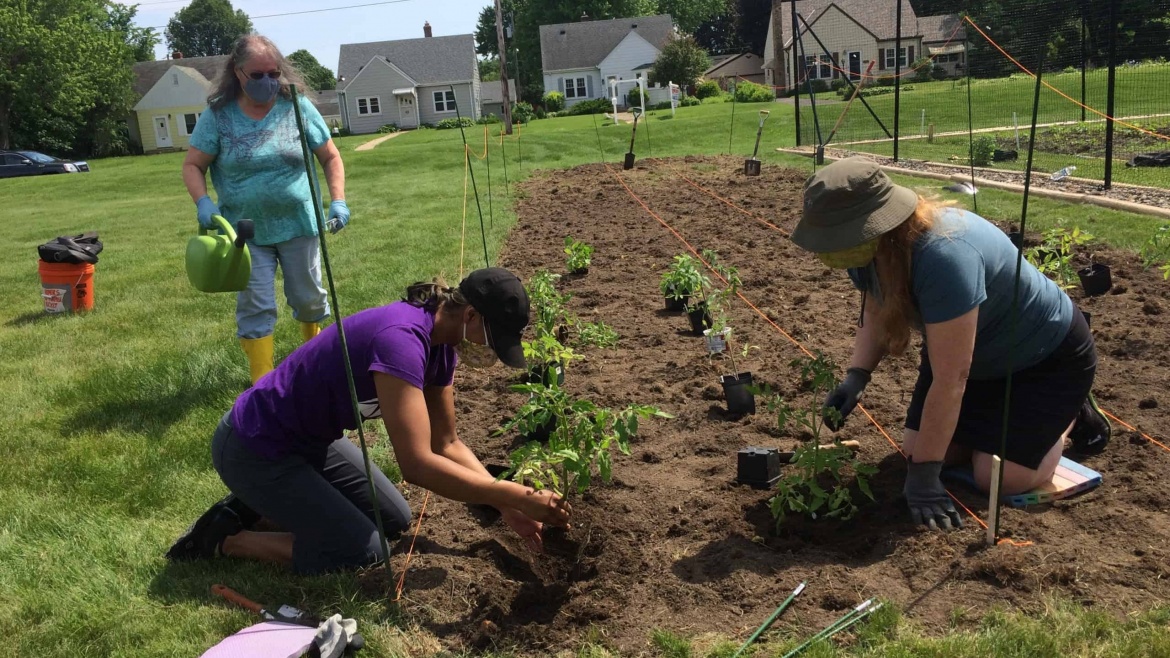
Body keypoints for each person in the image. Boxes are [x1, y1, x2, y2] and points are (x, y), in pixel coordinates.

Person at [165, 268, 572, 574]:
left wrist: (504, 504)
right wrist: (514, 494)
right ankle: (227, 538)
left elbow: (446, 443)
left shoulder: (443, 345)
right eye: (493, 338)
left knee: (395, 517)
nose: (492, 351)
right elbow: (415, 465)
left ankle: (267, 502)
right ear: (469, 316)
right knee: (363, 552)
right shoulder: (400, 340)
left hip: (310, 443)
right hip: (255, 447)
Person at [790, 156, 1110, 531]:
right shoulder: (869, 247)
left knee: (999, 478)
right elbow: (877, 305)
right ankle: (1004, 430)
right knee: (916, 449)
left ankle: (1070, 412)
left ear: (876, 221)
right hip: (977, 358)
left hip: (1043, 358)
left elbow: (951, 379)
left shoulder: (944, 256)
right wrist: (856, 376)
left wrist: (925, 480)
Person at [182, 33, 350, 385]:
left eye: (273, 73)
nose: (267, 82)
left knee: (308, 298)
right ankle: (262, 379)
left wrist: (338, 200)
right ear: (237, 73)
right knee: (255, 304)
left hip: (299, 223)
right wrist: (203, 202)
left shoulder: (298, 107)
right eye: (257, 75)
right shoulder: (218, 115)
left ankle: (315, 365)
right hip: (245, 230)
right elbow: (193, 165)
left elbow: (330, 156)